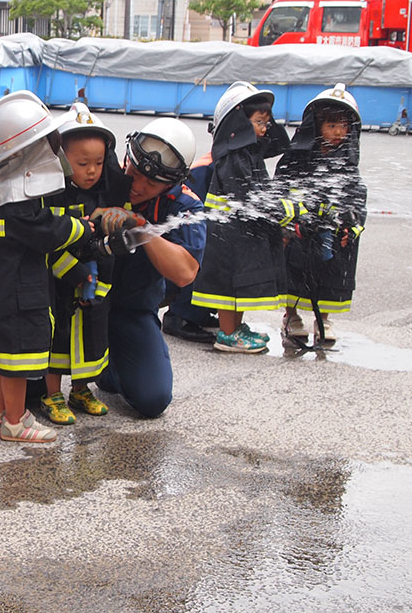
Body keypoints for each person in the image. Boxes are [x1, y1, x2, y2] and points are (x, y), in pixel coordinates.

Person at [0, 91, 93, 443]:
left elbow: (39, 220)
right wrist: (82, 228)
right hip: (18, 295)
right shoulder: (18, 199)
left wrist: (70, 218)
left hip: (1, 291)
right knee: (16, 359)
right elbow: (45, 231)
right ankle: (15, 421)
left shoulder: (8, 194)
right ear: (26, 153)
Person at [94, 118, 204, 418]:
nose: (138, 186)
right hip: (75, 302)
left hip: (130, 310)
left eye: (151, 183)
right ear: (128, 156)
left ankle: (112, 367)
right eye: (135, 172)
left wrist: (143, 230)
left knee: (152, 399)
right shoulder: (99, 173)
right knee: (30, 385)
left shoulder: (183, 206)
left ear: (172, 183)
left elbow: (185, 272)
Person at [190, 81, 295, 353]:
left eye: (266, 122)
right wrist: (277, 210)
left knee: (241, 284)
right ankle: (227, 333)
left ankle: (236, 327)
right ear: (238, 124)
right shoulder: (233, 155)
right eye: (259, 122)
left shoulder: (248, 152)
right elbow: (245, 193)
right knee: (229, 285)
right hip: (227, 234)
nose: (264, 129)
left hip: (240, 230)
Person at [39, 102, 117, 425]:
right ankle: (51, 394)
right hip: (61, 285)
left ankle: (81, 390)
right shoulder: (52, 196)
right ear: (60, 159)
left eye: (98, 162)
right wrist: (79, 274)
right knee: (58, 342)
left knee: (92, 338)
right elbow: (49, 245)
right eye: (82, 162)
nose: (91, 171)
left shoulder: (103, 195)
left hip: (94, 287)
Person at [276, 83, 366, 348]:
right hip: (300, 233)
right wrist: (296, 220)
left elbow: (357, 198)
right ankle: (291, 318)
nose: (338, 133)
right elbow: (280, 192)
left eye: (343, 126)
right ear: (316, 126)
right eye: (331, 125)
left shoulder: (348, 163)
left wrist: (352, 223)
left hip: (333, 235)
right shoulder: (297, 158)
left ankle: (322, 320)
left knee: (329, 274)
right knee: (294, 273)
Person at [161, 151, 218, 343]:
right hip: (184, 236)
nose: (263, 130)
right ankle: (180, 316)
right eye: (258, 121)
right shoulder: (208, 166)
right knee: (201, 248)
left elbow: (278, 145)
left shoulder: (242, 154)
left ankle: (199, 312)